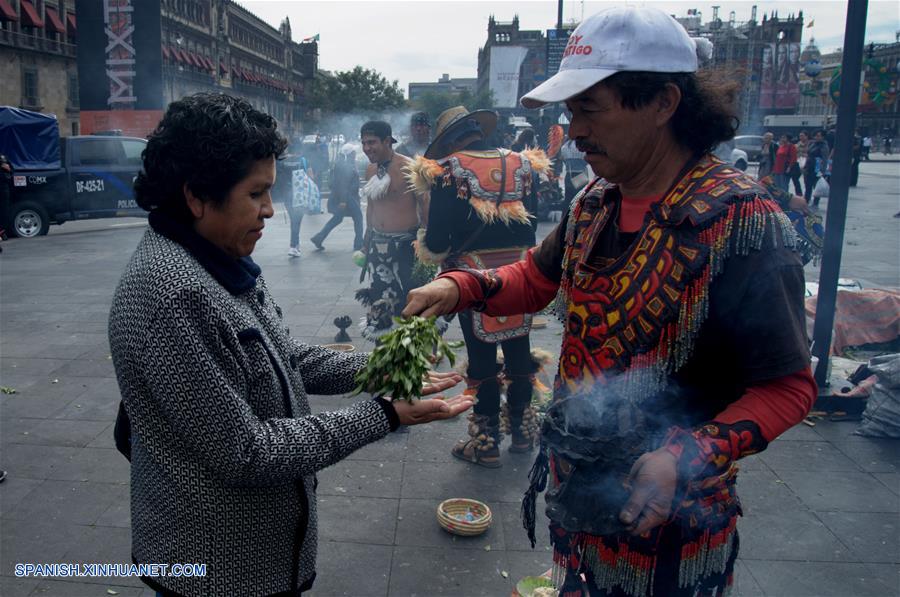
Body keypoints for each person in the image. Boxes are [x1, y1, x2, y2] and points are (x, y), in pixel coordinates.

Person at [402, 7, 816, 596]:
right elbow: (537, 279)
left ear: (664, 103)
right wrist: (462, 285)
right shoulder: (596, 200)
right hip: (581, 506)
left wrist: (689, 454)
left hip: (676, 524)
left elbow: (790, 386)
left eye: (589, 109)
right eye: (571, 113)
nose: (574, 130)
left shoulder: (742, 222)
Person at [108, 93, 471, 597]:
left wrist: (379, 368)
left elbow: (284, 357)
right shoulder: (172, 296)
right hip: (213, 565)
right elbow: (247, 453)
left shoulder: (217, 258)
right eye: (256, 194)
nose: (270, 211)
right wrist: (385, 414)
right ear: (197, 197)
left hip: (259, 549)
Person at [405, 105, 549, 467]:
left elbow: (437, 243)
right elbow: (531, 226)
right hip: (520, 270)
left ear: (450, 140)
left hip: (472, 275)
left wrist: (428, 247)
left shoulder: (446, 171)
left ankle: (485, 444)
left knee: (482, 359)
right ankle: (521, 432)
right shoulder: (523, 163)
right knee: (519, 351)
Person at [356, 120, 427, 340]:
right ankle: (385, 358)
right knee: (380, 302)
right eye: (364, 143)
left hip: (407, 247)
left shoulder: (410, 167)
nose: (367, 148)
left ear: (388, 141)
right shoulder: (370, 169)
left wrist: (426, 242)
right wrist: (366, 244)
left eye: (372, 142)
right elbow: (371, 208)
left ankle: (415, 358)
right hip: (378, 247)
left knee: (412, 303)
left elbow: (425, 205)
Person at [310, 143, 364, 251]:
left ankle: (318, 238)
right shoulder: (346, 165)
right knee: (358, 218)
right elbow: (343, 184)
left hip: (347, 197)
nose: (354, 154)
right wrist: (343, 201)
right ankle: (358, 244)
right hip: (347, 197)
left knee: (337, 219)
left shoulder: (344, 163)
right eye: (353, 152)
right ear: (350, 154)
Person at [287, 155, 319, 258]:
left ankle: (295, 244)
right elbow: (311, 177)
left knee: (293, 220)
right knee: (296, 221)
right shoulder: (303, 160)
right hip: (299, 194)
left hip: (287, 194)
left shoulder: (283, 160)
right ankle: (293, 246)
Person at [805, 130, 830, 206]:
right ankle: (806, 200)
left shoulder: (824, 146)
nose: (817, 137)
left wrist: (822, 170)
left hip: (817, 167)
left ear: (823, 137)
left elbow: (825, 159)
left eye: (819, 136)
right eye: (816, 136)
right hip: (809, 166)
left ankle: (816, 201)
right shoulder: (812, 143)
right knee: (808, 185)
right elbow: (808, 154)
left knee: (816, 185)